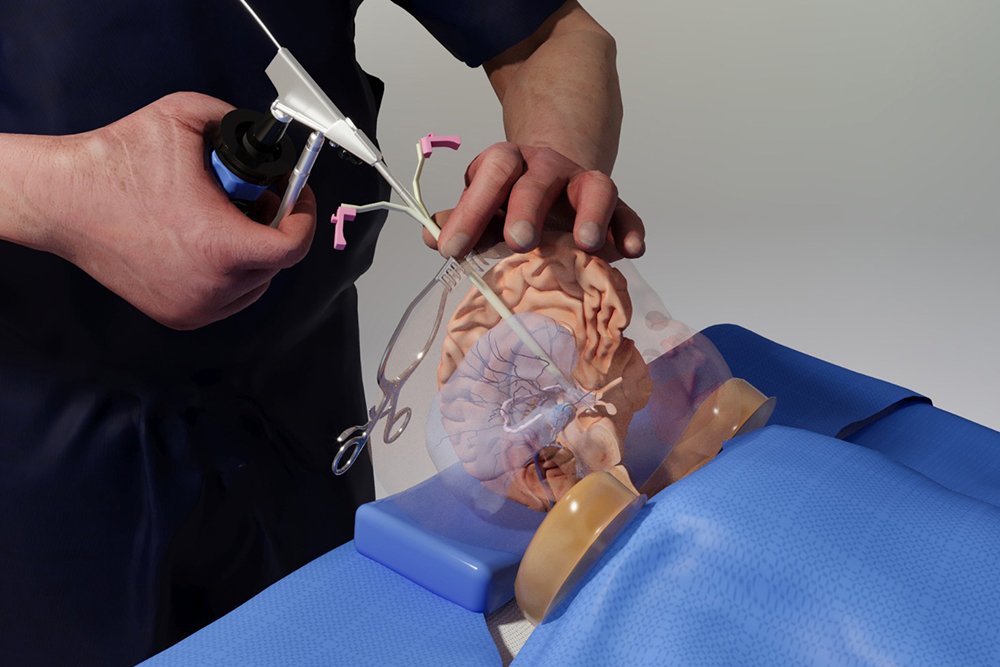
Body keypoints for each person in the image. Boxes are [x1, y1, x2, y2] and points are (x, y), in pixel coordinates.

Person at [0, 1, 644, 664]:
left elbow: (551, 35)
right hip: (30, 460)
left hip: (297, 424)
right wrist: (51, 188)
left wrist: (555, 163)